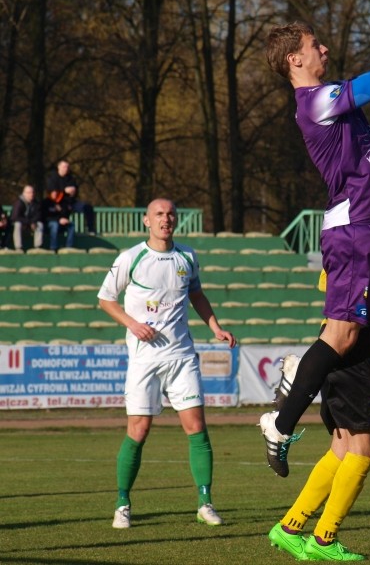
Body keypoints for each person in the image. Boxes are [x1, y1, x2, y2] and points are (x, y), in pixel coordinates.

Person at [258, 0, 370, 478]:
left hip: (368, 227)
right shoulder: (316, 102)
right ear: (295, 60)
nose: (324, 48)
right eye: (315, 45)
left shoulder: (326, 98)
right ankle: (280, 422)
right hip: (351, 230)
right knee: (342, 335)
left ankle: (314, 361)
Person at [267, 167, 370, 561]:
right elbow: (333, 280)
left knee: (342, 448)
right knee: (365, 448)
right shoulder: (358, 236)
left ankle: (290, 527)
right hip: (348, 352)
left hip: (349, 354)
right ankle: (324, 539)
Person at [97, 198, 236, 529]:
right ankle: (122, 503)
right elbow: (105, 299)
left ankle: (205, 503)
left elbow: (196, 294)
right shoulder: (131, 257)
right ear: (147, 221)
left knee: (196, 427)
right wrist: (133, 324)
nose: (165, 219)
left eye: (170, 214)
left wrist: (215, 327)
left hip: (181, 356)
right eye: (159, 214)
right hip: (144, 359)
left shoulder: (187, 256)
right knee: (139, 430)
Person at [46, 159, 97, 235]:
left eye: (67, 167)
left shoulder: (70, 178)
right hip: (59, 203)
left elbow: (75, 190)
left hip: (71, 202)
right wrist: (64, 191)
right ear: (59, 167)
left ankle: (91, 229)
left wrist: (73, 192)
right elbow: (52, 193)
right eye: (64, 167)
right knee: (61, 212)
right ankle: (60, 232)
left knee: (88, 207)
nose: (66, 169)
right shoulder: (52, 178)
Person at [10, 185, 44, 251]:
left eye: (33, 192)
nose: (31, 194)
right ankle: (18, 247)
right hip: (22, 224)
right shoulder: (19, 203)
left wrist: (33, 222)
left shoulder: (36, 203)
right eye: (29, 192)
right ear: (24, 193)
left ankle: (38, 247)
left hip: (31, 224)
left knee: (40, 224)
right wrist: (29, 222)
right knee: (17, 224)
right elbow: (15, 217)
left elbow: (38, 215)